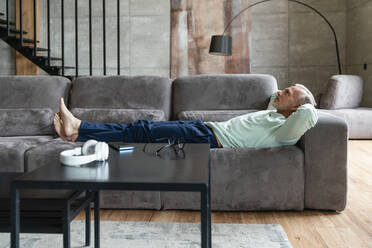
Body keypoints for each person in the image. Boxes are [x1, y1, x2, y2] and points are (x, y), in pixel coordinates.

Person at [53, 83, 318, 149]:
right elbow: (274, 98)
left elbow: (308, 113)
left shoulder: (285, 132)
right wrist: (289, 98)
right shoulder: (274, 115)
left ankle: (78, 128)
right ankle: (77, 132)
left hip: (210, 139)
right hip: (204, 128)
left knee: (141, 131)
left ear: (295, 109)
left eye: (288, 93)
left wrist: (303, 102)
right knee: (141, 128)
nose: (281, 91)